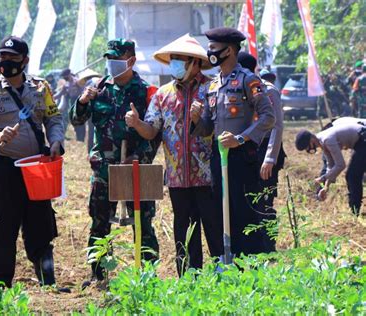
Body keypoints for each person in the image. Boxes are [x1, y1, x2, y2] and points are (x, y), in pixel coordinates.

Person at [0, 35, 65, 289]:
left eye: (12, 58)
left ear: (25, 60)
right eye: (2, 57)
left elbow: (54, 118)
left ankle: (48, 283)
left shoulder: (41, 88)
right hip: (5, 169)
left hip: (37, 170)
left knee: (41, 227)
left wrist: (55, 141)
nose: (6, 62)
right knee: (1, 229)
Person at [125, 34, 223, 275]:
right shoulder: (162, 95)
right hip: (177, 177)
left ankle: (223, 274)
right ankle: (189, 277)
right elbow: (151, 130)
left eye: (181, 60)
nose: (176, 64)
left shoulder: (213, 88)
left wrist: (200, 119)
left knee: (214, 226)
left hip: (208, 175)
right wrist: (137, 124)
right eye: (173, 60)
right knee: (184, 229)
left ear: (195, 62)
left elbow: (219, 127)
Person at [69, 38, 159, 283]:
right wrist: (83, 100)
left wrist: (139, 157)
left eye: (117, 59)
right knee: (99, 224)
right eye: (109, 58)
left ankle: (148, 275)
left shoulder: (146, 91)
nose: (112, 63)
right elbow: (75, 120)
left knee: (142, 222)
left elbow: (156, 132)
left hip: (135, 169)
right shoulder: (99, 88)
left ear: (131, 60)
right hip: (104, 169)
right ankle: (98, 276)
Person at [191, 27, 276, 257]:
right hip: (219, 157)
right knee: (222, 210)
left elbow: (268, 117)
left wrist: (240, 139)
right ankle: (230, 260)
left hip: (242, 157)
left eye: (213, 48)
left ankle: (252, 263)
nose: (210, 52)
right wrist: (196, 119)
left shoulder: (248, 80)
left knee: (244, 212)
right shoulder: (212, 85)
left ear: (228, 50)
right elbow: (208, 127)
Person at [238, 54, 285, 252]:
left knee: (265, 201)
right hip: (249, 151)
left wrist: (269, 158)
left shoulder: (267, 89)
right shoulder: (240, 89)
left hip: (265, 152)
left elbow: (276, 125)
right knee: (249, 199)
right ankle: (254, 246)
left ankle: (268, 247)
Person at [296, 119, 365, 216]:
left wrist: (322, 178)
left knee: (352, 175)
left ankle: (355, 210)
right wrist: (326, 187)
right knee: (353, 174)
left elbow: (341, 165)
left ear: (311, 139)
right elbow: (331, 166)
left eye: (307, 147)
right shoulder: (322, 142)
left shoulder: (327, 139)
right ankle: (354, 209)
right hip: (360, 142)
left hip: (363, 140)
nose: (309, 150)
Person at [54, 68, 85, 141]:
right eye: (63, 77)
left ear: (69, 75)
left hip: (79, 101)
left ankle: (81, 138)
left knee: (80, 120)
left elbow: (83, 91)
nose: (64, 78)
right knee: (74, 120)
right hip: (72, 102)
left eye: (65, 76)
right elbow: (60, 94)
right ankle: (78, 137)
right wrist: (51, 97)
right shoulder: (66, 84)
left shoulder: (77, 81)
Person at [77, 68, 102, 154]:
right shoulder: (99, 82)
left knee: (91, 131)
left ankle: (90, 152)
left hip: (91, 109)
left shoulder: (89, 83)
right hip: (101, 109)